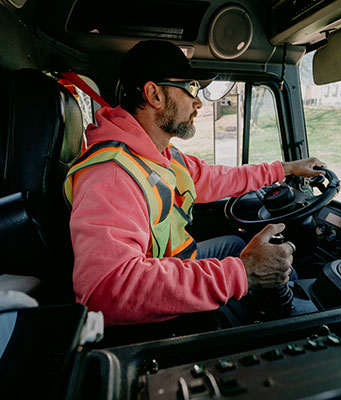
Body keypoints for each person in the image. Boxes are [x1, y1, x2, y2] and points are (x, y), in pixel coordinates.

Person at [64, 40, 325, 328]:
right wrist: (242, 274)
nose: (198, 102)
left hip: (174, 261)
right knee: (249, 279)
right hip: (152, 310)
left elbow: (215, 178)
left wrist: (284, 169)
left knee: (236, 245)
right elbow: (105, 292)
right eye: (190, 89)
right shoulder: (111, 175)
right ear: (154, 94)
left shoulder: (158, 153)